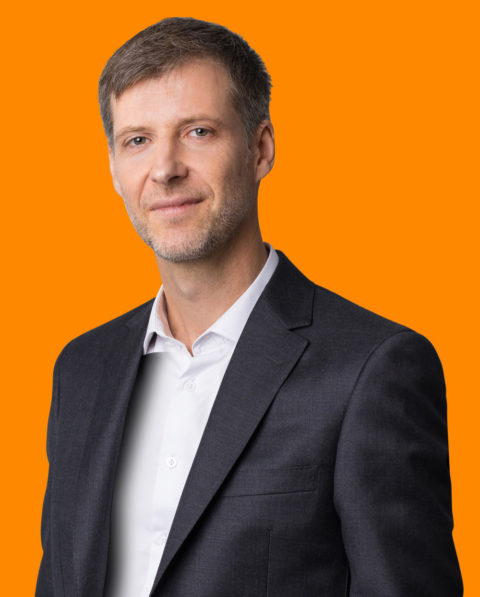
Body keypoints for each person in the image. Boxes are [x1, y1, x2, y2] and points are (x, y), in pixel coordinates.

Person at [36, 17, 462, 597]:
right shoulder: (82, 369)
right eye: (138, 140)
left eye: (198, 132)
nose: (165, 168)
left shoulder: (371, 370)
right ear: (113, 167)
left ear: (260, 149)